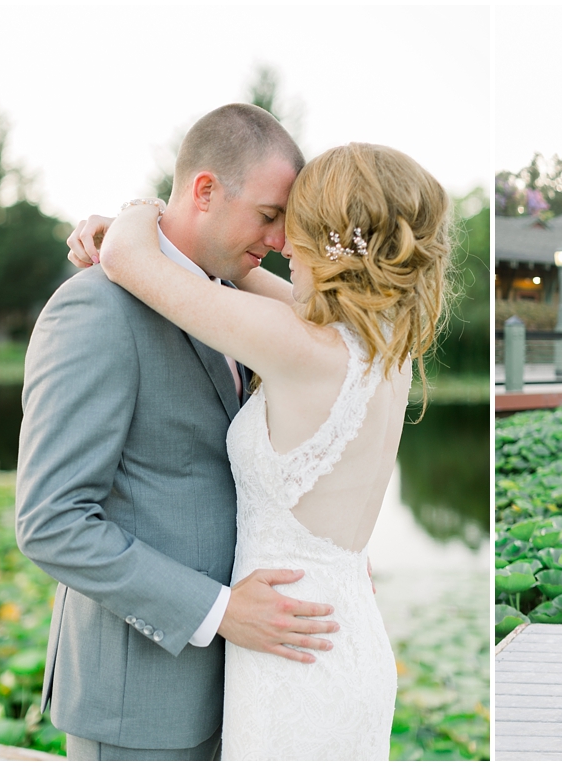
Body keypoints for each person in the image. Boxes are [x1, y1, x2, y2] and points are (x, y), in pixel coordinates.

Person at [82, 140, 451, 759]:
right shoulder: (383, 343)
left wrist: (144, 210)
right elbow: (236, 271)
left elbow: (125, 257)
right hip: (343, 632)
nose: (277, 242)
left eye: (290, 222)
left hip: (292, 655)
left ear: (323, 236)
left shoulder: (300, 345)